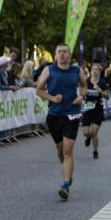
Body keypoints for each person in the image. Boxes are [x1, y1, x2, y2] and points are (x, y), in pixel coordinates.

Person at [35, 43, 86, 201]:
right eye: (59, 52)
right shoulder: (49, 70)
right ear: (55, 56)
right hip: (54, 115)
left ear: (69, 55)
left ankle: (65, 184)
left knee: (68, 151)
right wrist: (52, 98)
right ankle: (67, 172)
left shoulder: (77, 70)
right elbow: (38, 90)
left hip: (72, 114)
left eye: (65, 52)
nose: (62, 54)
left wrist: (81, 97)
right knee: (60, 151)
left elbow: (84, 85)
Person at [80, 62, 109, 159]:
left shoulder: (102, 82)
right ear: (91, 71)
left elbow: (107, 96)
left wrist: (100, 91)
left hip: (98, 109)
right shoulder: (86, 82)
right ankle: (88, 136)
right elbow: (82, 92)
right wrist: (83, 93)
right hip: (88, 109)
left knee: (94, 133)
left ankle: (95, 151)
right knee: (86, 132)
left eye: (96, 69)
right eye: (93, 69)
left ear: (99, 71)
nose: (94, 71)